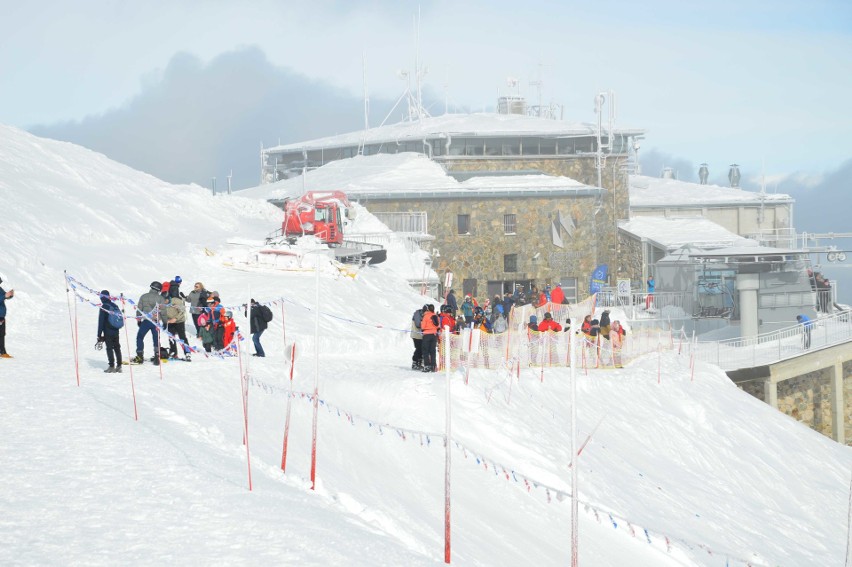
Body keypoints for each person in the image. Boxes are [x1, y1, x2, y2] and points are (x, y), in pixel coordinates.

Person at [132, 281, 168, 365]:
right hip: (156, 322)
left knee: (140, 337)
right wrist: (165, 322)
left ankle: (140, 356)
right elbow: (163, 312)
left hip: (146, 321)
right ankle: (156, 357)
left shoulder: (143, 296)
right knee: (156, 339)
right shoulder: (160, 298)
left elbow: (139, 310)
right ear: (159, 289)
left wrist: (138, 320)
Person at [97, 290, 123, 372]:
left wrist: (99, 334)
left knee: (109, 348)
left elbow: (101, 321)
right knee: (117, 347)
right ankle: (119, 366)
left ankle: (111, 366)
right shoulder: (115, 305)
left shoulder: (104, 307)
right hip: (116, 330)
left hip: (107, 331)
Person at [164, 283, 191, 361]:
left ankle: (187, 352)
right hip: (170, 321)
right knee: (171, 337)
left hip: (179, 321)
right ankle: (173, 352)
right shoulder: (165, 299)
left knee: (182, 337)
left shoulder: (177, 300)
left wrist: (175, 319)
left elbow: (182, 311)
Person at [420, 304, 439, 372]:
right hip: (434, 335)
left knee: (426, 351)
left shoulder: (426, 316)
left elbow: (422, 326)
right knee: (432, 351)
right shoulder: (435, 316)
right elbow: (438, 326)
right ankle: (433, 366)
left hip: (427, 335)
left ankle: (427, 366)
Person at [0, 276, 14, 358]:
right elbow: (2, 297)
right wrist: (5, 296)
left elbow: (4, 296)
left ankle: (3, 352)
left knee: (2, 334)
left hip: (1, 316)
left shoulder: (0, 289)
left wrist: (10, 295)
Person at [410, 305, 425, 370]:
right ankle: (415, 361)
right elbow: (418, 324)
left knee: (422, 349)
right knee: (419, 348)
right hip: (416, 335)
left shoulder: (422, 314)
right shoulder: (417, 314)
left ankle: (419, 362)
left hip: (421, 335)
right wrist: (426, 323)